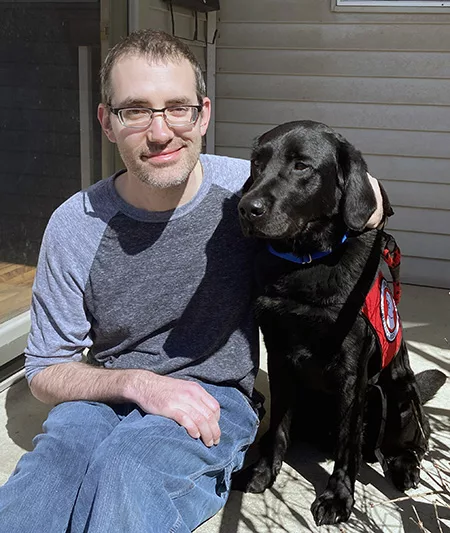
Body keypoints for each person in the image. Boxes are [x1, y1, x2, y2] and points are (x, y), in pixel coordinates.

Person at [0, 29, 384, 533]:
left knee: (128, 473)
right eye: (135, 110)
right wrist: (138, 384)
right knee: (45, 483)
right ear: (106, 123)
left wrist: (370, 204)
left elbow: (361, 197)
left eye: (177, 108)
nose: (160, 133)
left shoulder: (244, 196)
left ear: (203, 114)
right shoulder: (76, 225)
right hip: (105, 393)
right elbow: (46, 370)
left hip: (211, 398)